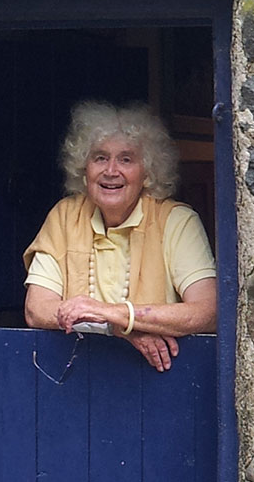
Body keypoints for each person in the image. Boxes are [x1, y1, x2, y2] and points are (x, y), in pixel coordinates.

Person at [23, 101, 217, 371]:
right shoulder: (65, 216)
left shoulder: (176, 221)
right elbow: (36, 309)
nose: (111, 171)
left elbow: (208, 311)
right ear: (84, 167)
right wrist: (116, 327)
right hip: (76, 377)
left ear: (147, 172)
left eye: (126, 159)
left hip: (158, 378)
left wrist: (120, 315)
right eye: (100, 157)